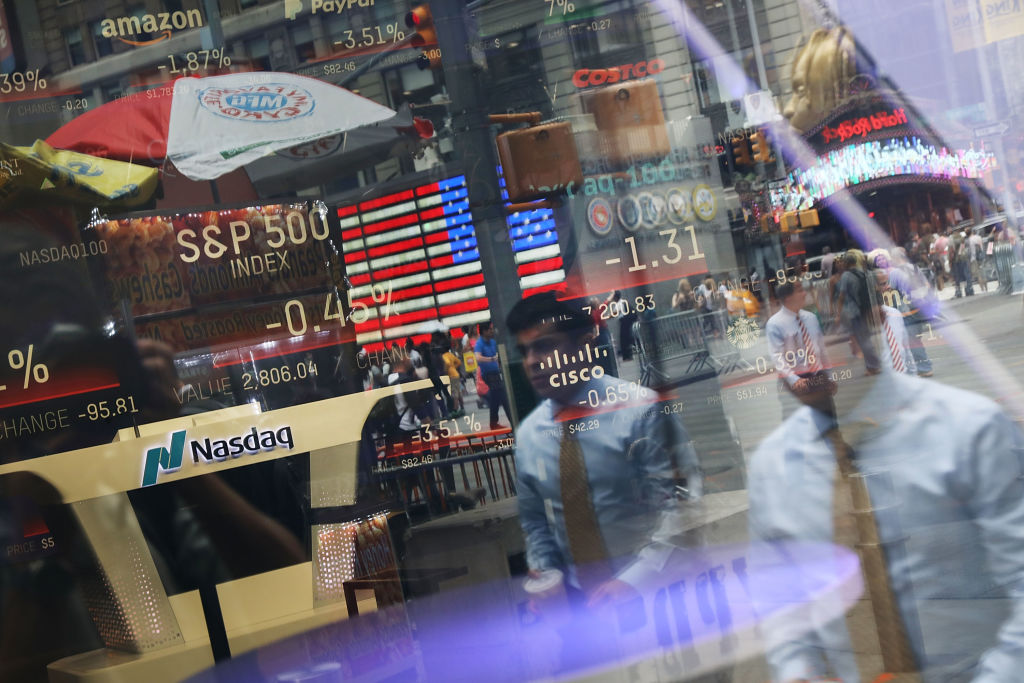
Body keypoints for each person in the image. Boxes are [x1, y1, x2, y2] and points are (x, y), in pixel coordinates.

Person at [748, 350, 1024, 681]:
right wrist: (799, 672)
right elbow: (779, 601)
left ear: (864, 333)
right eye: (790, 348)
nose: (804, 362)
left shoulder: (970, 430)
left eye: (820, 334)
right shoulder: (773, 465)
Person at [507, 292, 701, 606]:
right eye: (524, 350)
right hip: (575, 603)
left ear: (584, 345)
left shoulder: (641, 410)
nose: (531, 361)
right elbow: (535, 522)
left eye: (544, 346)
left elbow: (683, 502)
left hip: (655, 597)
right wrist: (546, 575)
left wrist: (634, 581)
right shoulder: (530, 435)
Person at [765, 281, 828, 418]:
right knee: (800, 422)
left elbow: (821, 348)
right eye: (799, 291)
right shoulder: (775, 324)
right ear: (788, 297)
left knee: (828, 417)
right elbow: (777, 356)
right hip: (796, 381)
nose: (805, 294)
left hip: (818, 376)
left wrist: (828, 376)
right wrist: (794, 380)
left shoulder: (811, 318)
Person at [887, 247, 935, 377]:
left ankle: (924, 368)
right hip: (921, 307)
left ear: (896, 258)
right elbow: (927, 285)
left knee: (912, 340)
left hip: (907, 310)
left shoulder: (895, 273)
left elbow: (890, 292)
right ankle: (922, 366)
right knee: (915, 338)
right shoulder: (915, 268)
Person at [835, 252, 881, 375]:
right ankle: (871, 365)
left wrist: (838, 314)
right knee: (866, 338)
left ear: (846, 262)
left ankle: (873, 366)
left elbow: (841, 296)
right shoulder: (862, 273)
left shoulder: (846, 276)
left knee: (863, 340)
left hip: (854, 312)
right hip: (865, 309)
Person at [474, 321, 512, 430]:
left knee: (495, 398)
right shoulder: (479, 343)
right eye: (490, 329)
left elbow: (499, 354)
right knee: (503, 397)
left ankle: (493, 423)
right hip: (488, 374)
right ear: (484, 331)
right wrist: (491, 359)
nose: (492, 331)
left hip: (496, 373)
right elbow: (477, 357)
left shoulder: (493, 342)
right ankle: (511, 421)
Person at [442, 337, 464, 417]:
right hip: (456, 374)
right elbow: (459, 362)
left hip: (451, 375)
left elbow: (447, 363)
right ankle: (462, 407)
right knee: (458, 391)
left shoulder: (444, 356)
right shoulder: (450, 354)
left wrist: (445, 371)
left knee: (454, 392)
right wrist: (454, 367)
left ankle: (455, 409)